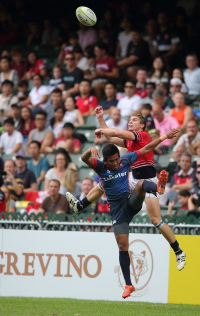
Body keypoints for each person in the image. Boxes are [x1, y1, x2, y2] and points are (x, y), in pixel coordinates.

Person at [66, 129, 185, 298]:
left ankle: (158, 188)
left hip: (130, 203)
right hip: (117, 212)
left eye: (116, 159)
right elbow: (84, 158)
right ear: (105, 161)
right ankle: (129, 285)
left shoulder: (125, 160)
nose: (115, 163)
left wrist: (165, 137)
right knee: (122, 246)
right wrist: (90, 150)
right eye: (111, 161)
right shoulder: (100, 167)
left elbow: (145, 149)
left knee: (141, 184)